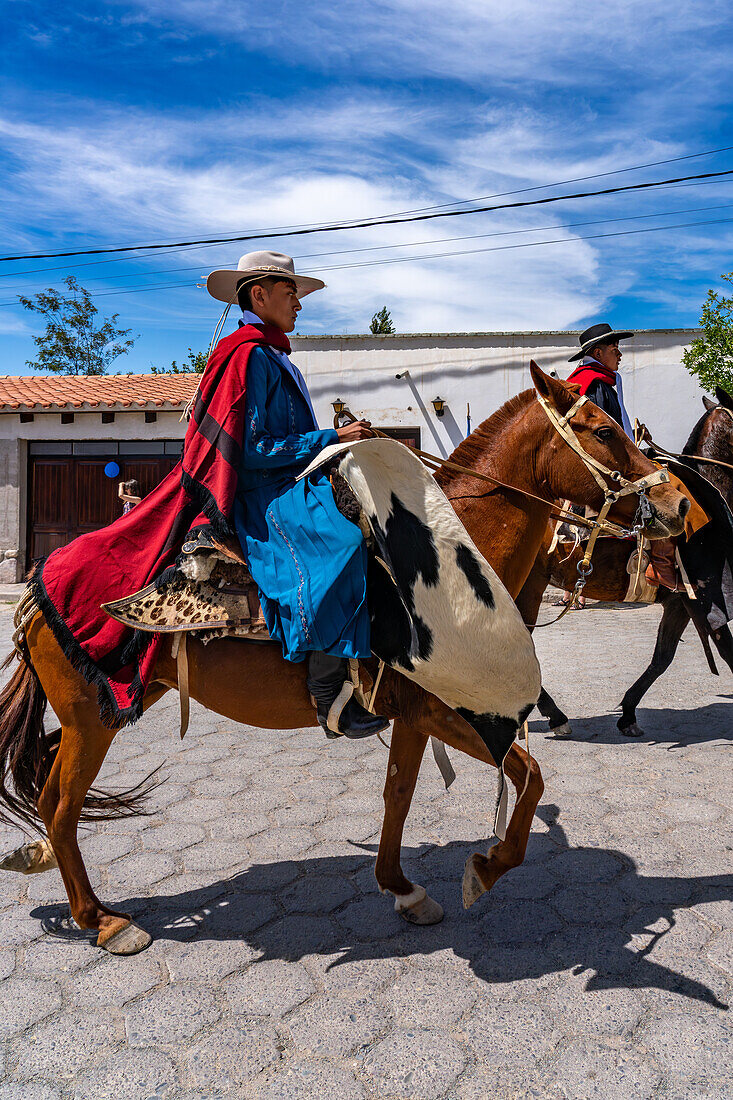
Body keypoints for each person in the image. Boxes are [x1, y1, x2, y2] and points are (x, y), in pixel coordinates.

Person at [205, 250, 389, 739]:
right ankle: (327, 691)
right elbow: (253, 448)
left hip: (288, 479)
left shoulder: (270, 353)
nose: (299, 307)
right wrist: (329, 439)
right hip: (265, 495)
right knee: (345, 545)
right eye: (292, 295)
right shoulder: (250, 357)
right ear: (259, 295)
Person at [567, 322, 678, 590]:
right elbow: (606, 438)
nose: (619, 354)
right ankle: (660, 565)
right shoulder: (596, 385)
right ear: (597, 353)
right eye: (614, 348)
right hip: (606, 466)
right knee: (663, 490)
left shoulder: (591, 382)